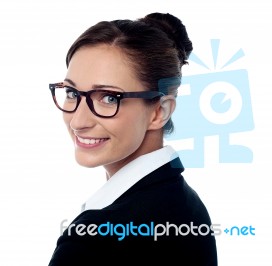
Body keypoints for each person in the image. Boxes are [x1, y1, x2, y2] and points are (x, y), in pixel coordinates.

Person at [47, 12, 217, 265]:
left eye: (108, 97)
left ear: (159, 111)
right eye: (72, 93)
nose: (78, 121)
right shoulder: (185, 204)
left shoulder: (95, 238)